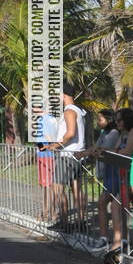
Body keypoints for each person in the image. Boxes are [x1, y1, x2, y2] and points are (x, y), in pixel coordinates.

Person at [75, 109, 119, 250]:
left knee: (107, 205)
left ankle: (113, 241)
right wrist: (83, 153)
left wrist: (92, 152)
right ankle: (106, 239)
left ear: (109, 120)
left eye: (100, 119)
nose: (97, 121)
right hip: (107, 174)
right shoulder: (104, 133)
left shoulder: (113, 133)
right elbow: (96, 148)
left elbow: (102, 151)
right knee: (108, 206)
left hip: (115, 173)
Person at [44, 82, 86, 228]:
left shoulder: (69, 111)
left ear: (63, 95)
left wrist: (54, 146)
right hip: (76, 155)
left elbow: (70, 133)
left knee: (58, 188)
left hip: (68, 156)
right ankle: (80, 222)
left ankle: (64, 223)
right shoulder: (78, 110)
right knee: (76, 191)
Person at [100, 108, 133, 264]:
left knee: (118, 206)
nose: (117, 122)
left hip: (130, 175)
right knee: (116, 206)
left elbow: (127, 152)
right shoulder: (123, 134)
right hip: (123, 175)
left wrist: (116, 151)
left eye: (120, 119)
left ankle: (123, 243)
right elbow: (116, 149)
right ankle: (120, 242)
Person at [34, 105, 59, 222]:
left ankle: (50, 213)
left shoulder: (47, 119)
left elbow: (50, 137)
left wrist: (42, 146)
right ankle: (46, 211)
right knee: (44, 185)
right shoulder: (42, 120)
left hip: (47, 156)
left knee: (48, 186)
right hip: (42, 155)